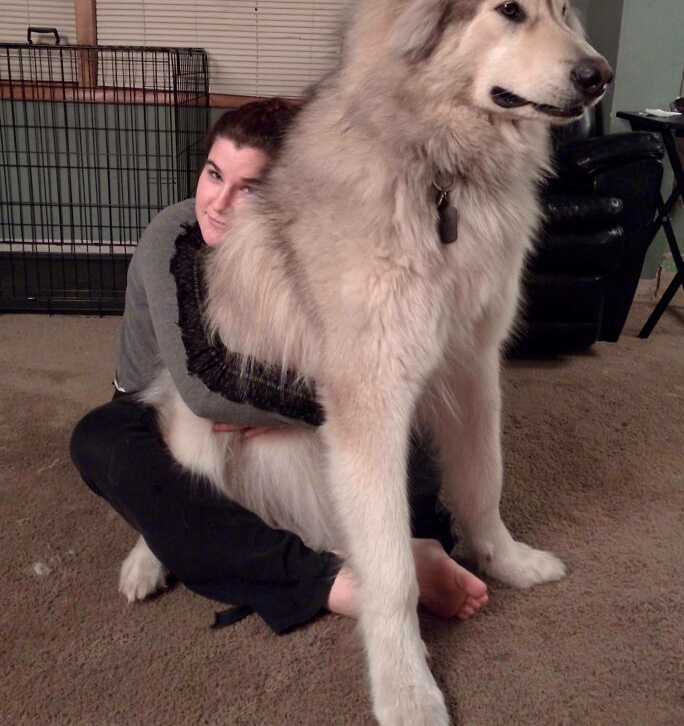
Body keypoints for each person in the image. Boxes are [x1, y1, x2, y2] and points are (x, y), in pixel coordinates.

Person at [70, 99, 488, 633]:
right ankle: (343, 562)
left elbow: (401, 394)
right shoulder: (174, 237)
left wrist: (271, 415)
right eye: (214, 174)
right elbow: (177, 393)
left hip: (322, 440)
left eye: (248, 188)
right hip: (200, 423)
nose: (219, 202)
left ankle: (341, 561)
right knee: (105, 437)